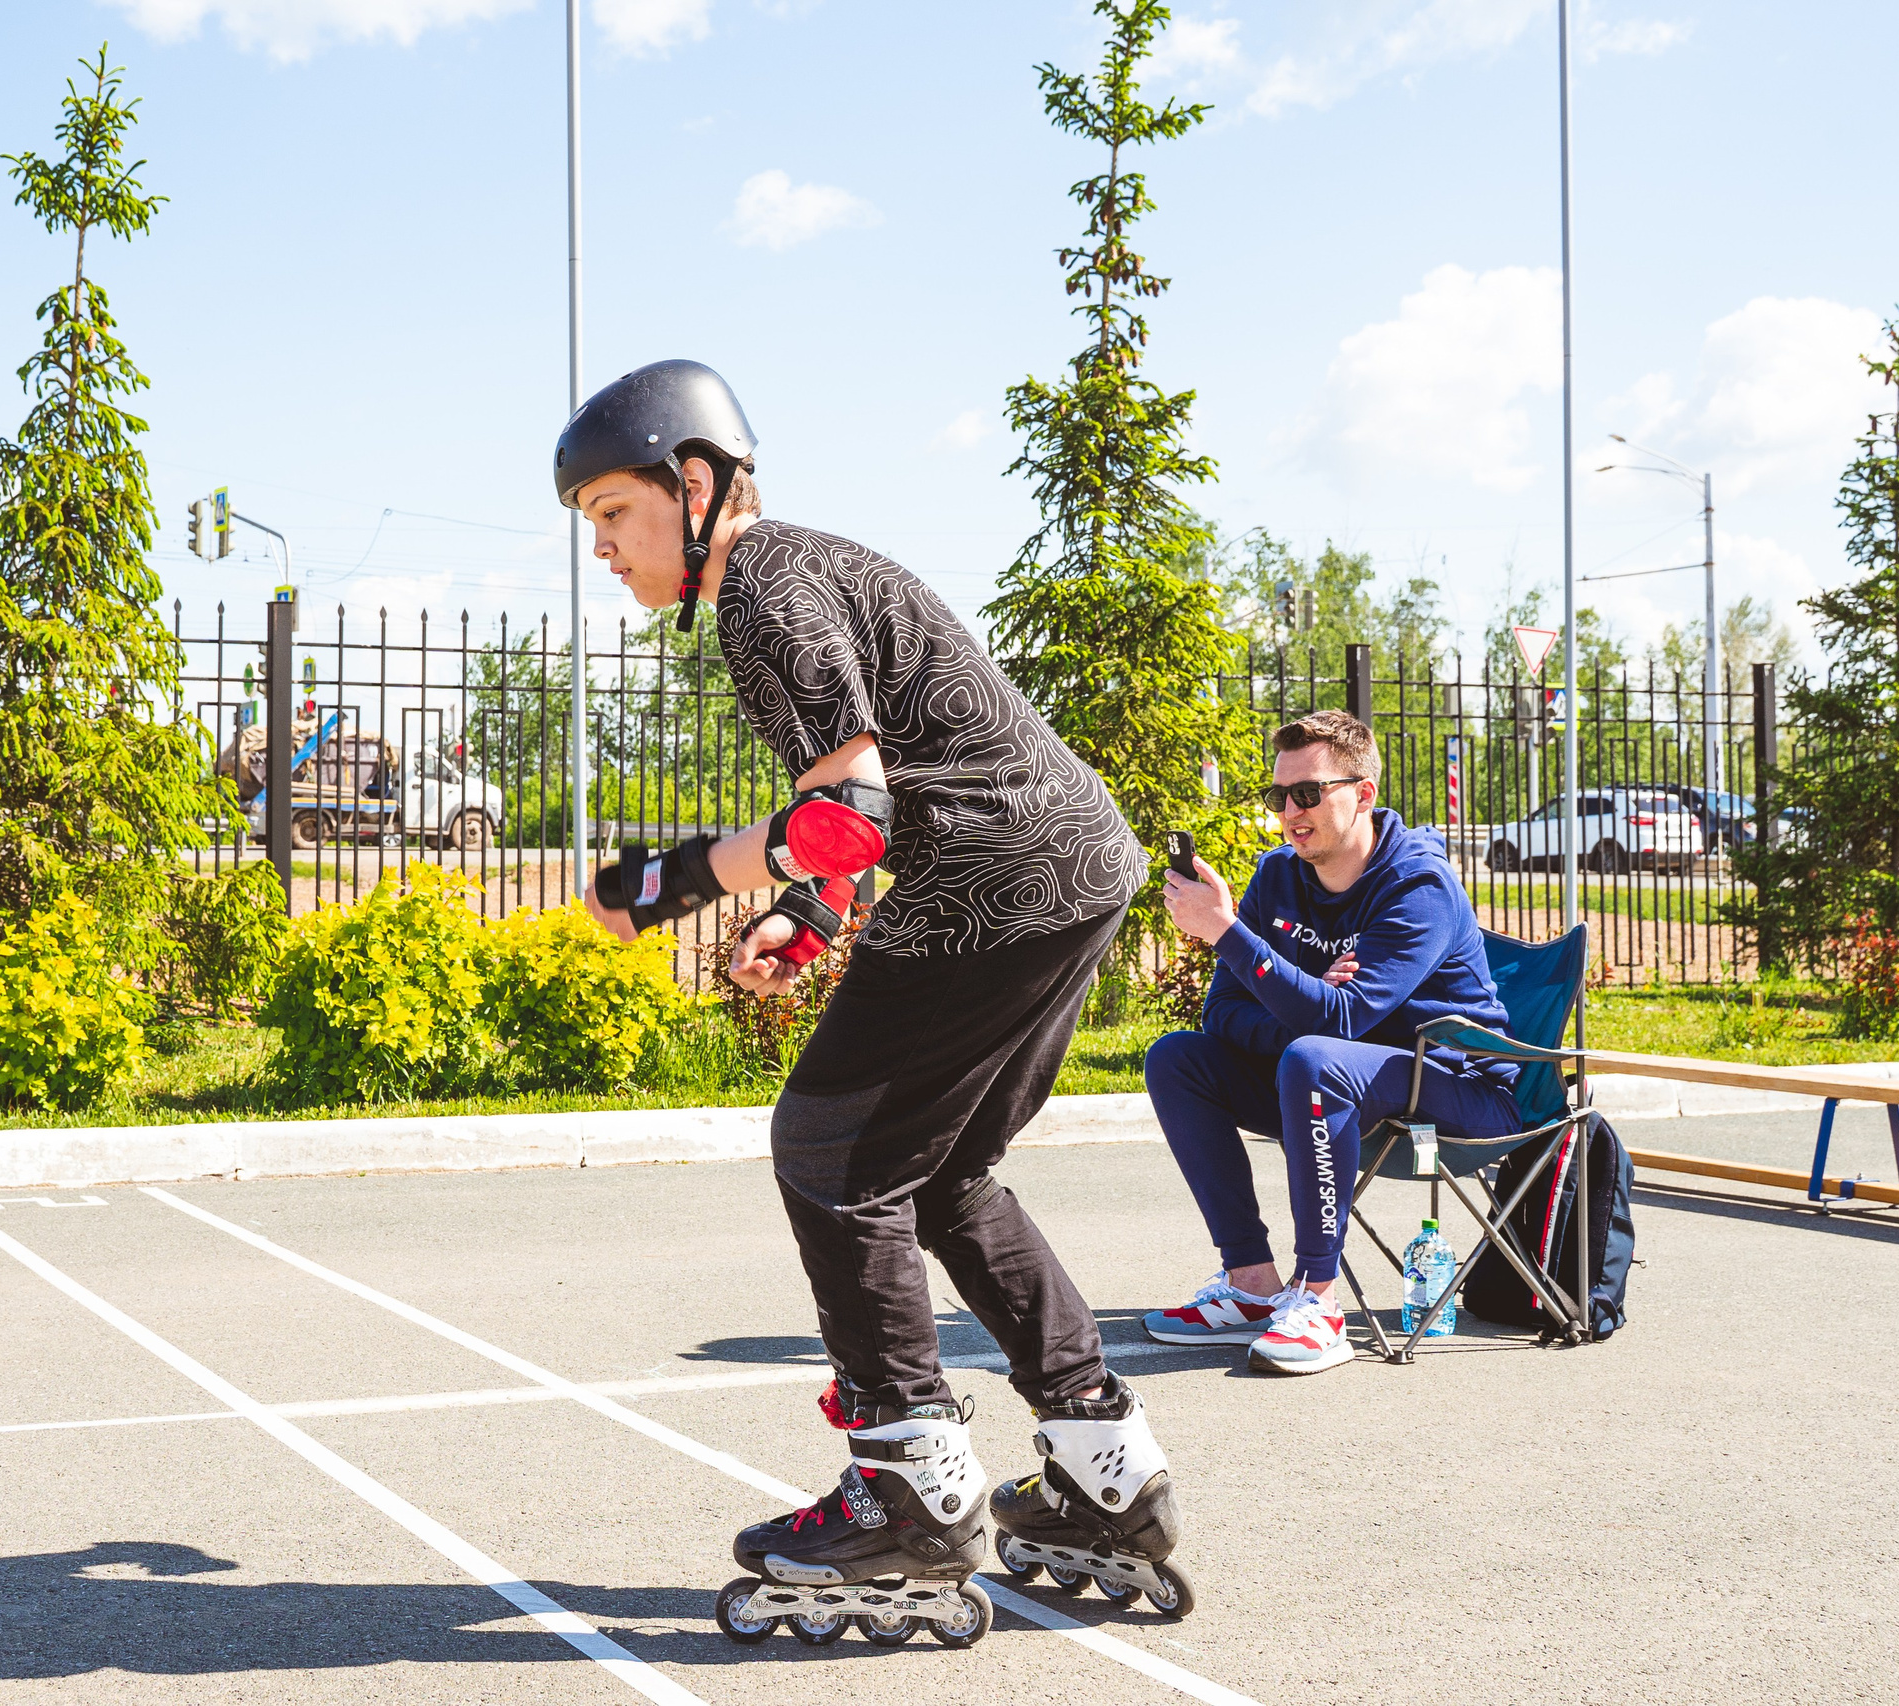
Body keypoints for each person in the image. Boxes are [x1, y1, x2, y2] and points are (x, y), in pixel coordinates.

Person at [559, 359, 1188, 1633]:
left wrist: (669, 880)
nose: (606, 552)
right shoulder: (799, 568)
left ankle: (909, 1486)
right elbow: (865, 800)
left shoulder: (763, 593)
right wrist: (810, 911)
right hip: (1071, 865)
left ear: (693, 484)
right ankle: (1103, 1471)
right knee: (944, 1176)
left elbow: (845, 811)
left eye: (613, 516)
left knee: (829, 1149)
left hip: (992, 879)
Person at [1141, 709, 1523, 1375]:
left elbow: (1340, 1022)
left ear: (1363, 793)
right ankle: (1254, 1286)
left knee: (1315, 1057)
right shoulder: (1278, 876)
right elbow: (1223, 1015)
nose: (1291, 811)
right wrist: (1307, 994)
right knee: (1178, 1058)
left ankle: (1318, 1299)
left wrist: (1233, 938)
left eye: (1309, 793)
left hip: (1459, 1085)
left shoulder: (1418, 884)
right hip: (1342, 1082)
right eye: (1279, 795)